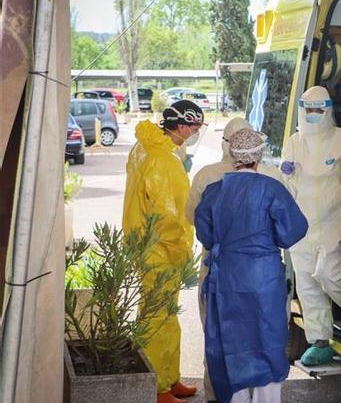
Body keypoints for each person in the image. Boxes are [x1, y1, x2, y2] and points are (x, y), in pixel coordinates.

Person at [195, 128, 308, 403]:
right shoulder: (272, 189)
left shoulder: (214, 191)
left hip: (226, 279)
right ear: (258, 157)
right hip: (263, 280)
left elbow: (206, 236)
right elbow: (293, 231)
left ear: (233, 155)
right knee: (266, 341)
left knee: (230, 343)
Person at [185, 117, 274, 403]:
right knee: (260, 336)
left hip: (218, 270)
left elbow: (193, 219)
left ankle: (217, 396)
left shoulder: (207, 177)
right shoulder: (271, 178)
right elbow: (292, 228)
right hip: (261, 273)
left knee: (217, 336)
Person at [122, 100, 204, 403]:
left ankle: (169, 379)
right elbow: (171, 215)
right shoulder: (165, 162)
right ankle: (157, 388)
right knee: (158, 317)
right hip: (160, 248)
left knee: (164, 314)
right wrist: (182, 251)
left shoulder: (144, 147)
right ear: (182, 126)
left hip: (145, 242)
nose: (196, 133)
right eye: (195, 128)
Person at [280, 86, 341, 367]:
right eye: (308, 110)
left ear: (329, 110)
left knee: (329, 272)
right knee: (307, 283)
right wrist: (286, 175)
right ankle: (320, 341)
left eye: (319, 110)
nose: (313, 115)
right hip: (302, 222)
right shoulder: (294, 142)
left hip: (337, 218)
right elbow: (286, 184)